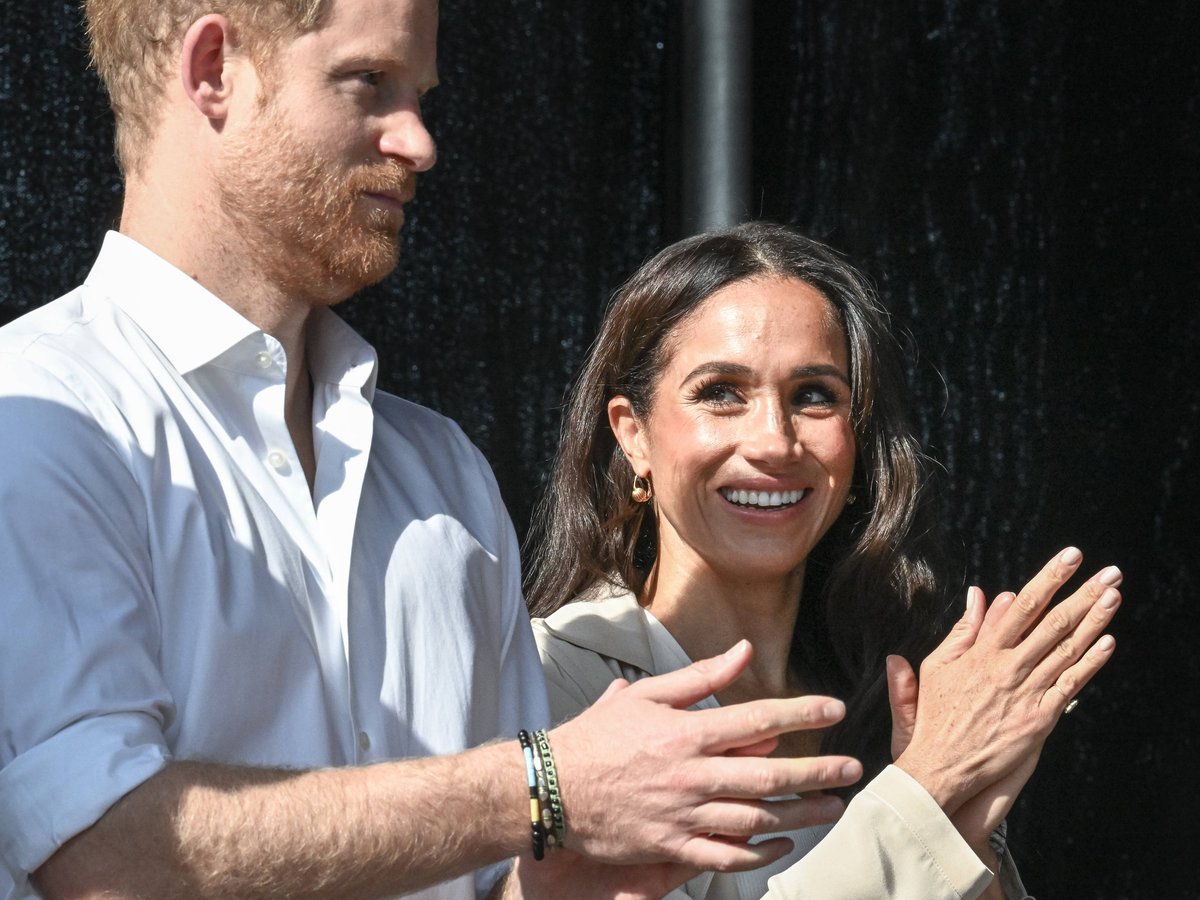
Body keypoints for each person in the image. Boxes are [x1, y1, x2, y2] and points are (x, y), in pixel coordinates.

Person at [0, 5, 870, 900]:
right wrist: (542, 785)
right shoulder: (40, 413)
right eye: (368, 82)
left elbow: (501, 875)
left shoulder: (441, 475)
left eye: (420, 95)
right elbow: (107, 859)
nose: (418, 143)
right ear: (215, 68)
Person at [526, 222, 1123, 899]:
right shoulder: (550, 682)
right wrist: (926, 794)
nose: (775, 443)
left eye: (814, 395)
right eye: (721, 391)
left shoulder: (893, 697)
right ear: (633, 434)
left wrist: (964, 832)